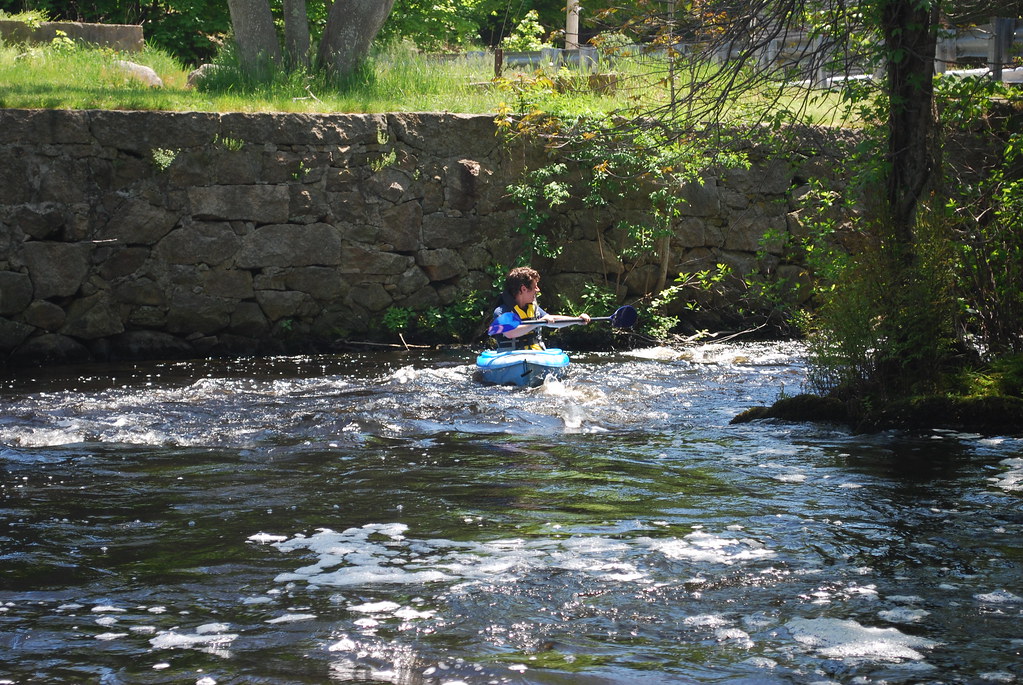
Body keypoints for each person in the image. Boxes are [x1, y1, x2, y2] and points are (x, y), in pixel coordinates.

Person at [491, 266, 590, 350]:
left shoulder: (533, 309)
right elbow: (510, 333)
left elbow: (552, 320)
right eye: (535, 286)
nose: (538, 290)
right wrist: (540, 322)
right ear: (523, 289)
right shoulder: (501, 311)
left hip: (535, 356)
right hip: (509, 359)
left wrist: (577, 320)